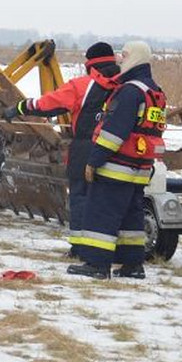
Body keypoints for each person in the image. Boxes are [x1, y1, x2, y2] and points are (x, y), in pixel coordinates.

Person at [3, 42, 119, 258]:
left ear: (90, 64)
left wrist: (19, 107)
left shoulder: (83, 85)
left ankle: (81, 249)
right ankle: (112, 249)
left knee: (80, 196)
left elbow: (49, 103)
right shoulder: (126, 85)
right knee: (110, 198)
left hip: (86, 147)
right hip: (120, 149)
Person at [68, 41, 165, 280]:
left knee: (101, 213)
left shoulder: (129, 91)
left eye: (124, 56)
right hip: (140, 167)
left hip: (116, 167)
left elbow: (114, 132)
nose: (120, 61)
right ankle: (133, 265)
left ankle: (96, 264)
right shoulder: (155, 92)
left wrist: (94, 161)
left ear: (134, 57)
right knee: (132, 217)